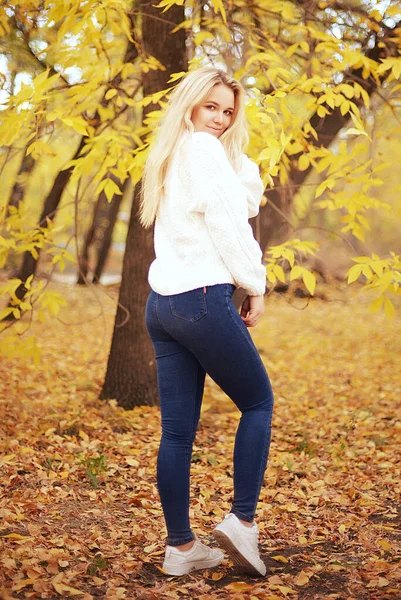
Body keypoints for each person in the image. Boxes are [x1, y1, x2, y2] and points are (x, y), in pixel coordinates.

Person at [141, 67, 274, 577]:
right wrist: (256, 286)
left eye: (227, 110)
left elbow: (238, 199)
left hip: (162, 305)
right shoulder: (202, 150)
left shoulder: (173, 153)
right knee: (258, 402)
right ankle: (242, 521)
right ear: (192, 106)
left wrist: (239, 167)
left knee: (176, 433)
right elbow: (229, 223)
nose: (219, 118)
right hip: (200, 298)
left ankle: (180, 549)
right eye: (210, 107)